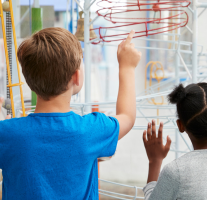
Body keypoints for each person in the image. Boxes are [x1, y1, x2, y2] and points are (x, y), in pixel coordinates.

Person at [0, 28, 141, 199]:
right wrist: (127, 67)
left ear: (29, 79)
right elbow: (127, 116)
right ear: (76, 77)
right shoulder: (90, 130)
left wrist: (9, 130)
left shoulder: (7, 133)